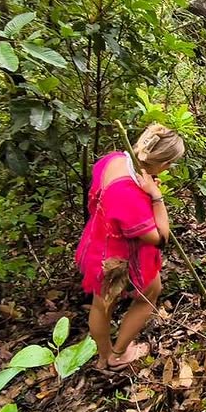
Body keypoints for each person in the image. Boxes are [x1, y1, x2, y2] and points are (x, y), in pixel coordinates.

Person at [74, 123, 185, 370]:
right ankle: (116, 355)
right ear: (163, 163)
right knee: (149, 295)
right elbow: (160, 237)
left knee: (101, 304)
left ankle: (103, 357)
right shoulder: (129, 194)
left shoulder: (114, 160)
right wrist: (156, 195)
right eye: (170, 163)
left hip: (99, 241)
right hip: (119, 257)